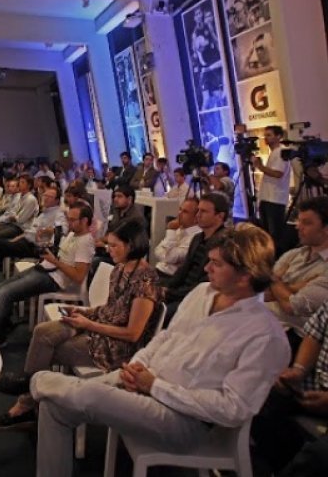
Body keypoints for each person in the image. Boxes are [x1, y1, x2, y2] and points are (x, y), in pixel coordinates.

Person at [32, 224, 291, 477]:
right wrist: (139, 365)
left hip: (185, 421)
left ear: (246, 275)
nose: (206, 268)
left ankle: (40, 381)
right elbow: (166, 337)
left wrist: (154, 386)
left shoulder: (266, 336)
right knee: (55, 406)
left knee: (83, 394)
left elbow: (232, 409)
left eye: (217, 264)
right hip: (147, 384)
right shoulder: (203, 293)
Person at [0, 219, 163, 431]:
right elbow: (110, 310)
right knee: (42, 332)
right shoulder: (120, 270)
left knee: (50, 347)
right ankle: (29, 391)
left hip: (117, 347)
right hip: (99, 326)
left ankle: (24, 401)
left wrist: (88, 324)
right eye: (109, 244)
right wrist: (83, 312)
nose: (109, 249)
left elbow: (132, 334)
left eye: (115, 246)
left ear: (132, 246)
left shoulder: (145, 279)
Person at [0, 203, 94, 345]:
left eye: (72, 220)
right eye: (68, 218)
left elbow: (78, 276)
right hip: (47, 269)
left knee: (5, 293)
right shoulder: (72, 234)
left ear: (85, 221)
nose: (68, 222)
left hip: (56, 279)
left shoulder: (86, 243)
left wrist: (55, 262)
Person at [252, 299, 328, 473]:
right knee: (256, 399)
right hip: (315, 384)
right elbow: (314, 335)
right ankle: (281, 465)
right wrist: (298, 370)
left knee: (321, 455)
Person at [265, 196, 328, 353]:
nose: (298, 227)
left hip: (294, 339)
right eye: (298, 221)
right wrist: (295, 287)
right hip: (264, 323)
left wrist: (272, 278)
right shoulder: (293, 255)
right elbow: (262, 293)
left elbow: (292, 306)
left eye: (306, 223)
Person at [0, 186, 66, 289]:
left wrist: (49, 230)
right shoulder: (45, 211)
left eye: (50, 196)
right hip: (26, 240)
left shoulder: (58, 213)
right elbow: (31, 231)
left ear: (57, 200)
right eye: (45, 195)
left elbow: (63, 230)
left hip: (36, 248)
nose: (45, 198)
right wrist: (19, 237)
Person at [161, 192, 228, 322]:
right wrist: (167, 288)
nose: (198, 215)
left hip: (199, 298)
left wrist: (169, 293)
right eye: (198, 210)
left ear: (220, 216)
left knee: (159, 315)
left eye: (204, 211)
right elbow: (184, 269)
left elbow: (205, 282)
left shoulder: (223, 244)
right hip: (182, 291)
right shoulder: (198, 238)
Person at [253, 125, 291, 241]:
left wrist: (259, 166)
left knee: (275, 235)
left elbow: (278, 173)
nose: (266, 138)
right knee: (267, 233)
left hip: (274, 200)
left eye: (269, 135)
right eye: (265, 135)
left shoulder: (281, 152)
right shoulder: (273, 152)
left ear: (279, 136)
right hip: (267, 198)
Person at [154, 198, 201, 278]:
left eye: (185, 212)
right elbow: (157, 251)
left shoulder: (196, 237)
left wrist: (171, 231)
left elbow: (169, 258)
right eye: (180, 209)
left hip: (170, 277)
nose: (179, 214)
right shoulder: (178, 228)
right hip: (158, 270)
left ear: (196, 218)